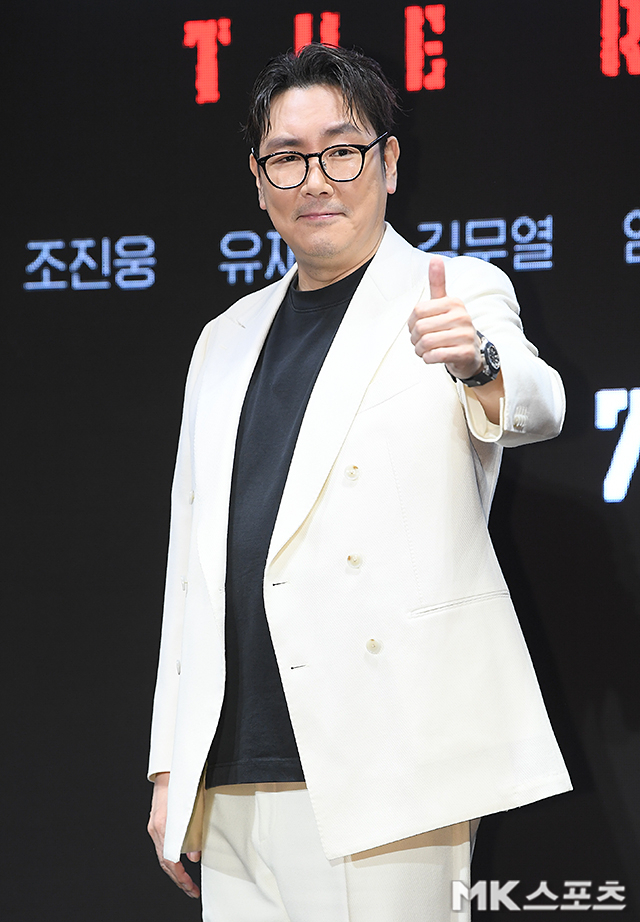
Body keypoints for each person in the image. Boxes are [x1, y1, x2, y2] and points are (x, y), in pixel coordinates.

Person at [147, 43, 571, 922]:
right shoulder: (224, 337)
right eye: (288, 158)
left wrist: (480, 362)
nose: (317, 180)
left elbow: (538, 403)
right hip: (232, 770)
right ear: (259, 179)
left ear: (388, 162)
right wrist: (170, 765)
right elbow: (192, 565)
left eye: (341, 151)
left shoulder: (453, 291)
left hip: (392, 760)